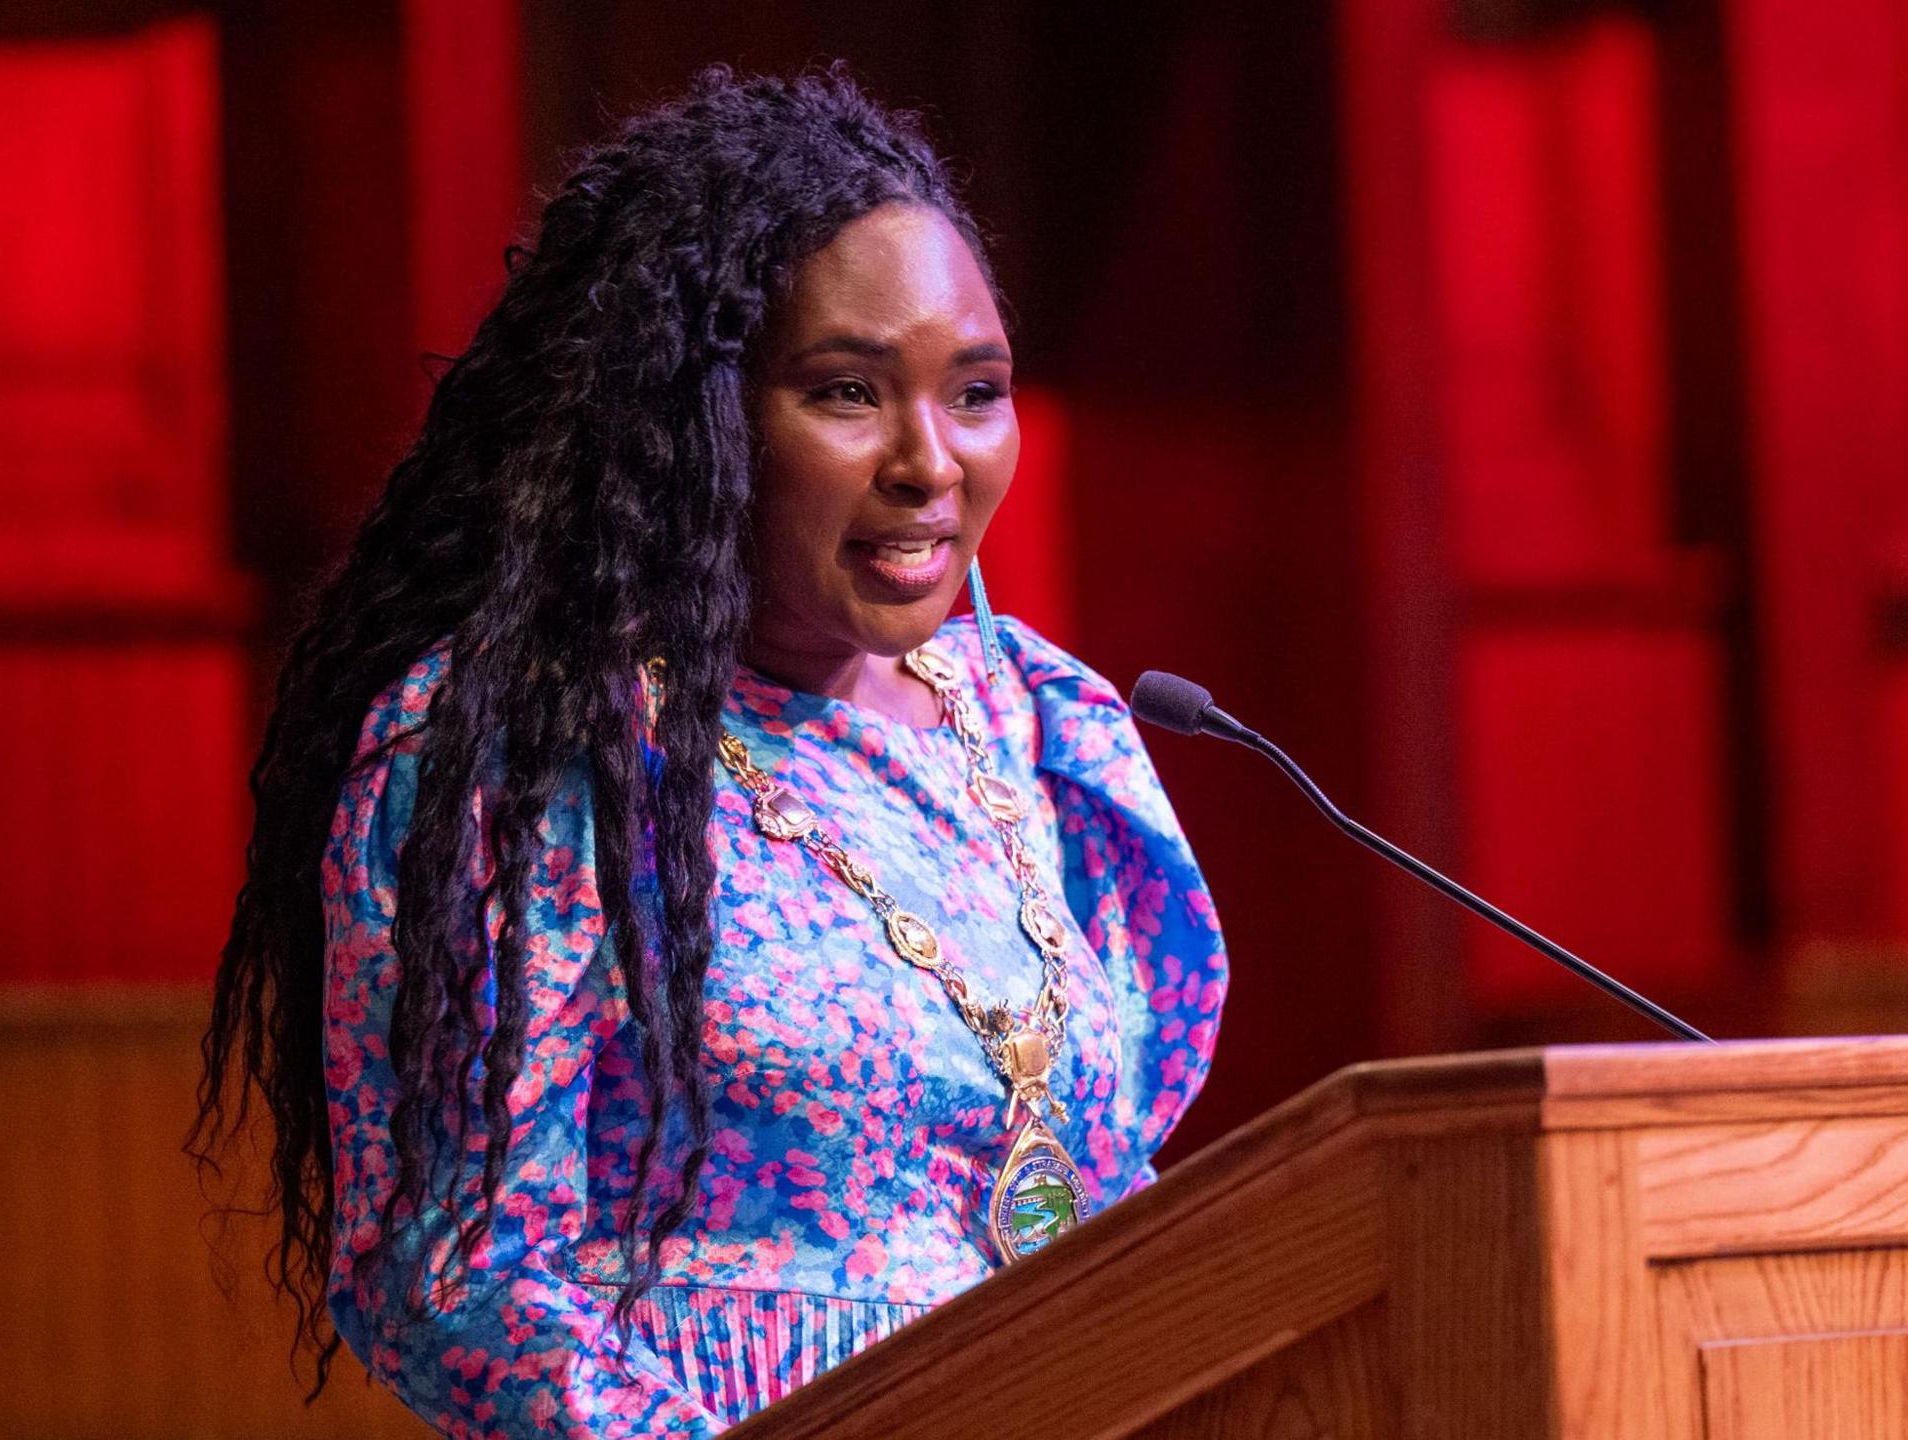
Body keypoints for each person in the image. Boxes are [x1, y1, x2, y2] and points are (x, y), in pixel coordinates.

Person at [193, 68, 1227, 1439]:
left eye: (975, 392)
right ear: (697, 421)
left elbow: (1120, 1184)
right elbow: (469, 1276)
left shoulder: (1053, 722)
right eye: (848, 393)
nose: (931, 461)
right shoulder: (533, 756)